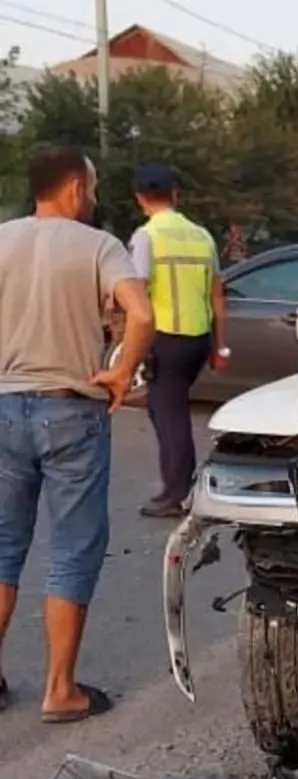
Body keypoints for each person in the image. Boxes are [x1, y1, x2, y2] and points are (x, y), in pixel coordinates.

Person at [0, 146, 154, 721]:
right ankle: (60, 690)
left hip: (5, 406)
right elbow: (140, 316)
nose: (91, 198)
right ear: (71, 189)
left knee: (3, 547)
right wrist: (119, 370)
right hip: (71, 410)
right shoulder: (100, 246)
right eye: (89, 188)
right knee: (71, 548)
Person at [129, 164, 227, 518]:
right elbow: (217, 295)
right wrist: (220, 346)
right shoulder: (201, 236)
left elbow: (136, 295)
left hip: (165, 337)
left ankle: (176, 493)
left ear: (140, 198)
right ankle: (178, 487)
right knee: (171, 410)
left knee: (169, 416)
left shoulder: (146, 237)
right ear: (175, 194)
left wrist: (129, 350)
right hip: (198, 338)